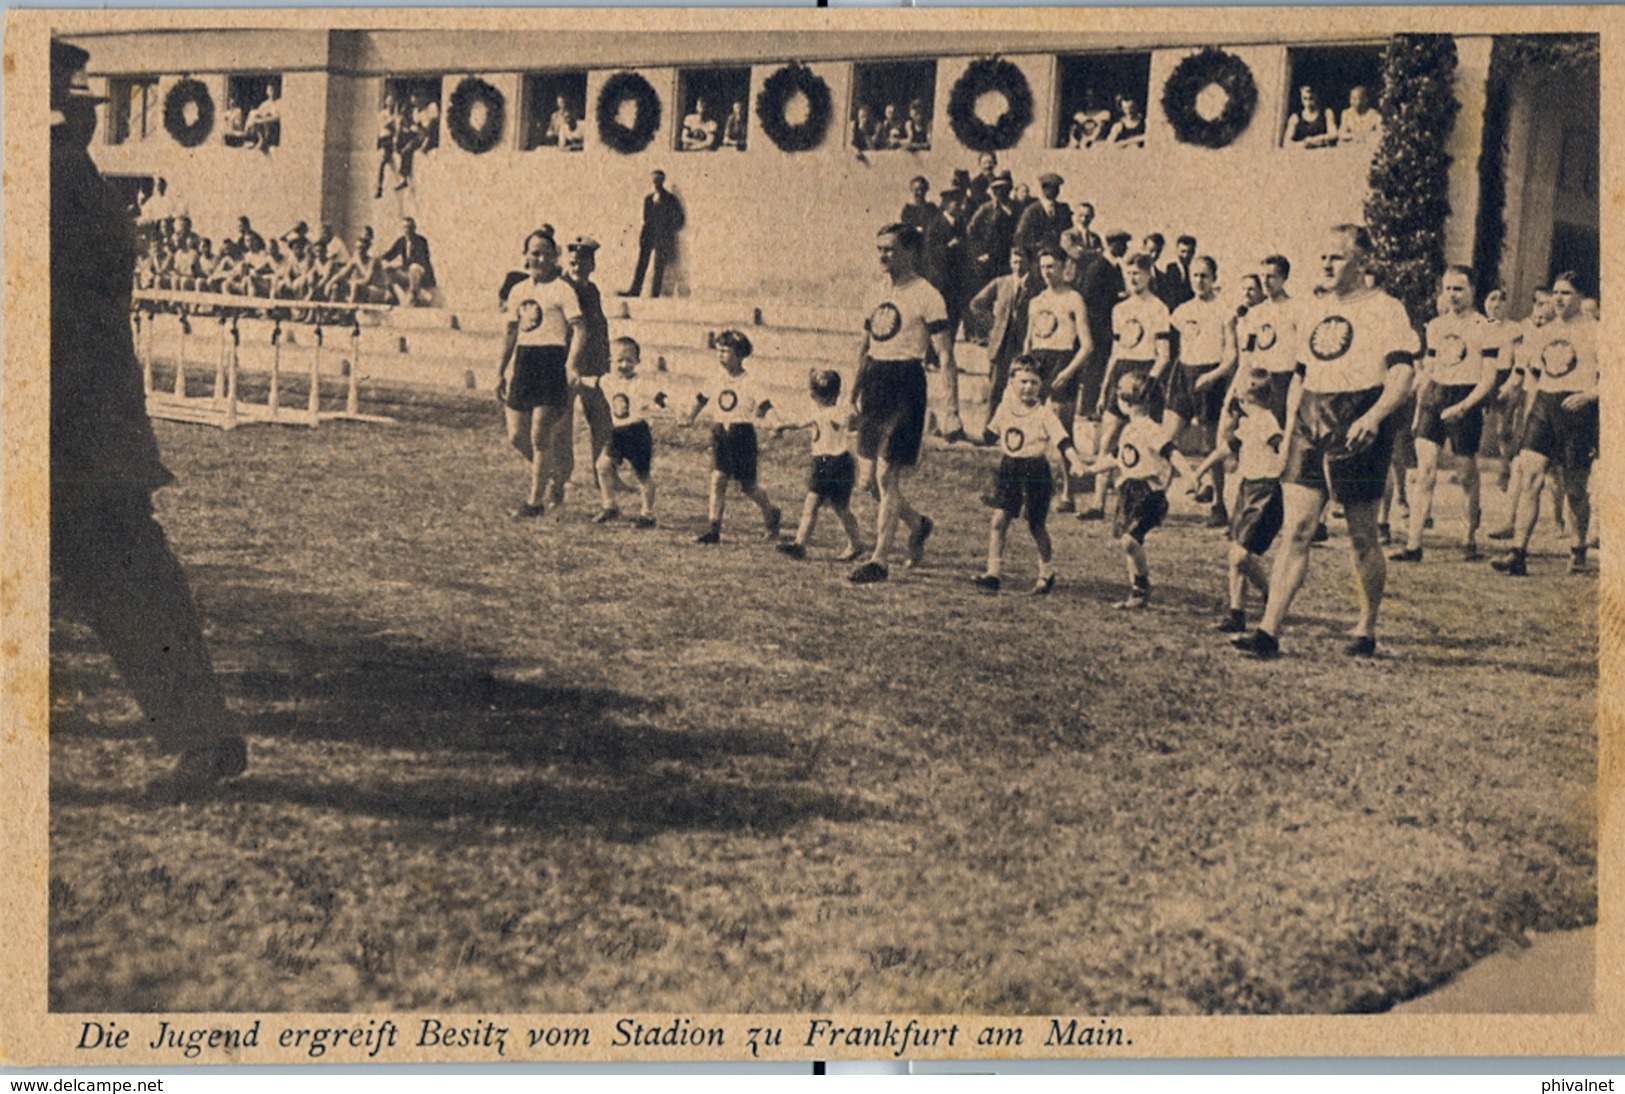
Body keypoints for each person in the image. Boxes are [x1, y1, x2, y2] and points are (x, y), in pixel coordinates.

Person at [49, 39, 247, 800]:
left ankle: (202, 738)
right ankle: (203, 736)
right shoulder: (81, 184)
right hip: (93, 431)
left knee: (129, 582)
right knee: (134, 585)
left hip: (64, 429)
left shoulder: (53, 189)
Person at [1233, 224, 1417, 660]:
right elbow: (1299, 374)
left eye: (1337, 257)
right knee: (1296, 529)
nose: (1328, 265)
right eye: (1323, 258)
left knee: (1361, 535)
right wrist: (1290, 430)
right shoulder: (1313, 309)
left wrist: (1374, 417)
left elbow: (1403, 374)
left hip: (1359, 418)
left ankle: (1367, 626)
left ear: (1363, 261)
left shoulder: (1386, 308)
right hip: (1310, 418)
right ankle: (1269, 631)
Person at [849, 223, 957, 584]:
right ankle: (918, 524)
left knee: (886, 475)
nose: (882, 255)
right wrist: (851, 395)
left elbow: (944, 354)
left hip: (906, 384)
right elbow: (864, 347)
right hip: (875, 383)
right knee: (867, 482)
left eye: (890, 249)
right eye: (879, 249)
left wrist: (951, 407)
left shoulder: (928, 295)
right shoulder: (875, 291)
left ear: (910, 251)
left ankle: (879, 560)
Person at [1491, 271, 1598, 576]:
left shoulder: (1597, 331)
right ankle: (1518, 553)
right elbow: (1533, 377)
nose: (1558, 299)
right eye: (1555, 293)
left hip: (1578, 411)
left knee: (1575, 490)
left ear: (1579, 296)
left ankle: (1578, 549)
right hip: (1544, 407)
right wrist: (1526, 414)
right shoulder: (1543, 332)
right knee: (1530, 478)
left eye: (1566, 293)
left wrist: (1588, 395)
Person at [1391, 265, 1498, 563]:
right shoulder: (1436, 326)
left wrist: (1464, 406)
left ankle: (1469, 538)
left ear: (1472, 291)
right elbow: (1430, 367)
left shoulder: (1484, 325)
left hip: (1466, 398)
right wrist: (1417, 399)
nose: (1452, 295)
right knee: (1424, 473)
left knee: (1466, 475)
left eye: (1459, 289)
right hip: (1436, 397)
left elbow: (1488, 378)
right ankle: (1414, 545)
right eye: (1448, 288)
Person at [974, 357, 1085, 595]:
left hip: (1035, 472)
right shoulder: (1005, 409)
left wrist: (1075, 461)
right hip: (1009, 469)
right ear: (1011, 382)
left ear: (1041, 385)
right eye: (1023, 382)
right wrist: (960, 433)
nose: (1028, 387)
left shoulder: (1044, 414)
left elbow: (1062, 440)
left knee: (1036, 526)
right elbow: (989, 436)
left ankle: (1047, 572)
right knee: (999, 521)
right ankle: (993, 573)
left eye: (1034, 383)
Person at [496, 226, 586, 519]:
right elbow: (510, 332)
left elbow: (580, 329)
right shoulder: (518, 290)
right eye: (534, 253)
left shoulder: (563, 289)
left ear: (555, 255)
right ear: (525, 256)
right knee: (516, 435)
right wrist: (500, 371)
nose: (540, 258)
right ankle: (555, 476)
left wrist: (570, 364)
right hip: (524, 362)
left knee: (539, 435)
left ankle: (534, 503)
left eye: (546, 253)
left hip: (551, 362)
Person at [1195, 368, 1287, 633]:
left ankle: (1271, 595)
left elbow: (1281, 447)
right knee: (1237, 552)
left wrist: (1282, 474)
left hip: (1266, 492)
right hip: (1249, 488)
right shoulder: (1249, 423)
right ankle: (1236, 613)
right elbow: (1226, 449)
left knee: (1240, 555)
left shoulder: (1266, 421)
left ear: (1241, 396)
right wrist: (1200, 471)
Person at [1087, 252, 1171, 521]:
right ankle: (1098, 504)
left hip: (1146, 375)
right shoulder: (1119, 309)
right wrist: (1103, 389)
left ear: (1148, 274)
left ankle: (1151, 504)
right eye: (1129, 272)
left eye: (1138, 272)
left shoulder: (1158, 308)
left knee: (1148, 445)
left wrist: (1148, 385)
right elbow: (1115, 352)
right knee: (1107, 440)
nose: (1133, 278)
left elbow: (1164, 355)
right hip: (1121, 374)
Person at [1078, 372, 1174, 609]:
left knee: (1130, 541)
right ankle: (1137, 593)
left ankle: (1142, 584)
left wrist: (1193, 478)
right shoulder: (1130, 429)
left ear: (1123, 403)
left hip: (1148, 493)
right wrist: (1091, 470)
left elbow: (1173, 453)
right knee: (1128, 542)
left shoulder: (1151, 429)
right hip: (1128, 491)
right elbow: (1116, 458)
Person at [683, 329, 782, 544]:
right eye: (718, 350)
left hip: (742, 435)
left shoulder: (750, 382)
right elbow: (700, 399)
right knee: (718, 479)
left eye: (725, 351)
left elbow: (765, 406)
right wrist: (689, 416)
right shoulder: (714, 379)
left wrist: (776, 423)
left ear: (740, 354)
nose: (720, 355)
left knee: (748, 486)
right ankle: (713, 529)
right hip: (721, 433)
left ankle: (771, 512)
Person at [1165, 255, 1239, 527]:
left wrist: (1213, 376)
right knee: (1166, 440)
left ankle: (1218, 505)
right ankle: (1159, 500)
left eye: (1204, 276)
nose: (1199, 281)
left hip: (1211, 377)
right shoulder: (1182, 311)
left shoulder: (1224, 310)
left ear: (1214, 278)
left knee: (1212, 445)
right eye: (1195, 275)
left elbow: (1231, 355)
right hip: (1184, 374)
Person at [1022, 246, 1093, 511]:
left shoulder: (1074, 299)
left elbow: (1087, 346)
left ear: (1064, 267)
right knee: (1031, 430)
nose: (1047, 272)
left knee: (1062, 432)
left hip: (1063, 362)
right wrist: (1023, 370)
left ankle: (1068, 493)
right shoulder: (1036, 301)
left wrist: (1067, 372)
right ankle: (1032, 490)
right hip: (1038, 363)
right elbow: (1028, 341)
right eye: (1043, 267)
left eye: (1052, 266)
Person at [773, 370, 864, 562]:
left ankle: (853, 544)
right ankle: (800, 543)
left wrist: (782, 426)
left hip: (832, 462)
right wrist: (783, 426)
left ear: (812, 394)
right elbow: (799, 423)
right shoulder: (828, 412)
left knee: (831, 507)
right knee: (821, 504)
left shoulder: (831, 413)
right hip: (831, 463)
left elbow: (799, 423)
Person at [563, 235, 616, 496]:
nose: (577, 268)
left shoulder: (592, 290)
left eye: (582, 263)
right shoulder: (563, 289)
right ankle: (563, 476)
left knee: (602, 421)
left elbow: (599, 329)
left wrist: (604, 362)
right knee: (563, 421)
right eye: (573, 263)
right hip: (569, 363)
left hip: (594, 365)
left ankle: (604, 475)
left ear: (592, 266)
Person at [592, 336, 664, 528]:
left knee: (642, 476)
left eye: (629, 360)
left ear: (637, 362)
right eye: (619, 360)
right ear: (611, 360)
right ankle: (610, 506)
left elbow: (660, 396)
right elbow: (592, 381)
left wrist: (679, 408)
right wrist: (573, 378)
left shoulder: (641, 383)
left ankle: (648, 515)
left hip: (637, 433)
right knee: (602, 466)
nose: (624, 365)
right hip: (617, 433)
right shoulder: (608, 380)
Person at [967, 245, 1040, 417]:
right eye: (1014, 262)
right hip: (1002, 342)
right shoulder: (1001, 283)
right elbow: (976, 304)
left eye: (1022, 262)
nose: (1018, 266)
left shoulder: (1037, 286)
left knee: (1022, 386)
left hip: (1024, 342)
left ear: (1030, 263)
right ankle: (990, 428)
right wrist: (993, 325)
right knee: (996, 387)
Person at [622, 170, 685, 299]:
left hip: (662, 237)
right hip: (649, 235)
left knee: (659, 266)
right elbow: (645, 218)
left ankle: (655, 293)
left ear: (663, 181)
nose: (656, 183)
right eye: (654, 180)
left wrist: (668, 230)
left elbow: (680, 219)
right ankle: (635, 290)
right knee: (642, 264)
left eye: (659, 180)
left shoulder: (670, 199)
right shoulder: (648, 199)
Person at [1013, 172, 1073, 261]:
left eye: (1057, 188)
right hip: (1038, 259)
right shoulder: (1031, 211)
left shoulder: (1063, 209)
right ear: (1043, 189)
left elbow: (1069, 232)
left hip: (1059, 259)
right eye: (1051, 188)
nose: (1055, 191)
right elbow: (1020, 237)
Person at [380, 216, 436, 306]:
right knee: (388, 270)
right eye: (405, 227)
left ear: (414, 228)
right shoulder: (401, 241)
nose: (407, 230)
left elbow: (420, 259)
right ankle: (392, 295)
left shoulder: (421, 241)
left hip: (421, 273)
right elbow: (391, 254)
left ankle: (414, 296)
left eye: (409, 227)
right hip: (408, 272)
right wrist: (378, 259)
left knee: (414, 267)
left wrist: (402, 267)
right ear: (402, 229)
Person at [1284, 85, 1338, 149]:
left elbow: (1333, 134)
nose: (1308, 103)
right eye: (1305, 99)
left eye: (1311, 98)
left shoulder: (1327, 113)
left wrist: (1315, 140)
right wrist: (1303, 144)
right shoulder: (1295, 118)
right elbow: (1286, 143)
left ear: (1316, 96)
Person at [1157, 234, 1198, 311]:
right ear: (1177, 251)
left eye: (1190, 252)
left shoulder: (1195, 269)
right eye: (1183, 251)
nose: (1186, 255)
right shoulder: (1172, 268)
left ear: (1194, 252)